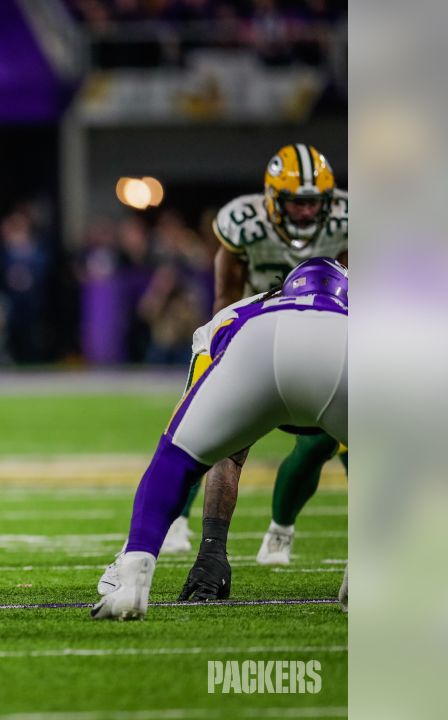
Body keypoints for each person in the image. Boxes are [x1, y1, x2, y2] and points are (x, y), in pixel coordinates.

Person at [92, 258, 348, 620]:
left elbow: (213, 451)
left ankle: (132, 581)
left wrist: (212, 549)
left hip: (256, 341)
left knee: (176, 457)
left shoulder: (245, 309)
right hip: (343, 345)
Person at [166, 143, 349, 562]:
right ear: (272, 201)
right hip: (252, 327)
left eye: (313, 204)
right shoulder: (243, 223)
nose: (305, 213)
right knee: (202, 422)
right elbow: (226, 292)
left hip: (315, 330)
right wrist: (223, 346)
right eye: (295, 203)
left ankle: (281, 530)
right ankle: (178, 521)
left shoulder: (347, 219)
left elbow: (350, 291)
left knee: (322, 443)